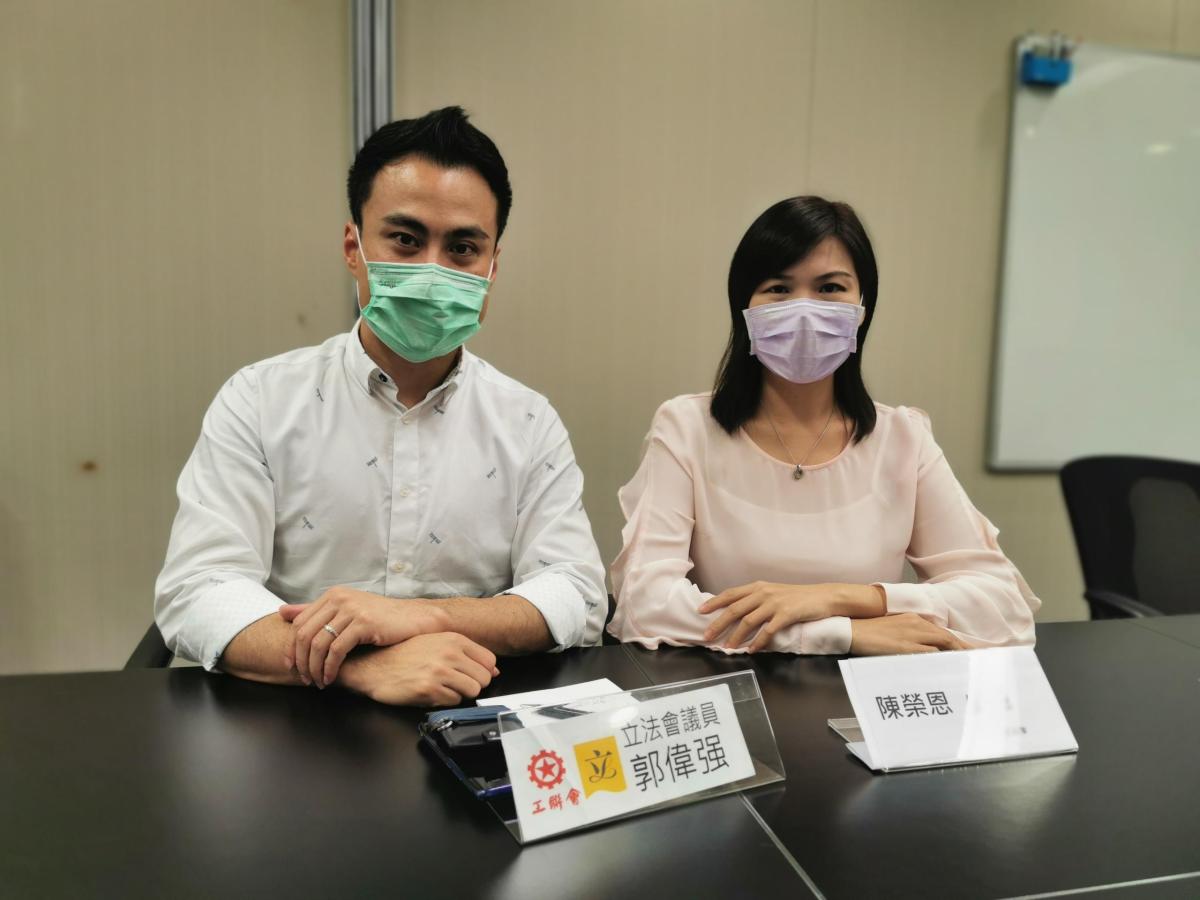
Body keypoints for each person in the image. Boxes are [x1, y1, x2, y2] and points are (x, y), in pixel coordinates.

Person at [155, 107, 607, 705]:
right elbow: (200, 590)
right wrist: (359, 666)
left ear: (493, 266)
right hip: (293, 721)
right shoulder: (260, 399)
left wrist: (422, 618)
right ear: (354, 246)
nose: (432, 272)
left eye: (463, 248)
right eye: (406, 240)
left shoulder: (527, 420)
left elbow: (576, 592)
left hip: (470, 709)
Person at [609, 196, 1039, 656]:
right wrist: (839, 633)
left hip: (868, 694)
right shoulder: (686, 428)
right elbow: (645, 604)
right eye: (778, 288)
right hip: (734, 686)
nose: (804, 309)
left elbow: (1003, 608)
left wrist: (843, 597)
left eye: (830, 288)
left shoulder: (903, 438)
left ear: (863, 307)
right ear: (744, 309)